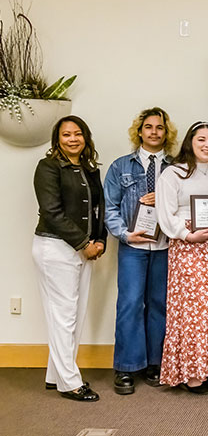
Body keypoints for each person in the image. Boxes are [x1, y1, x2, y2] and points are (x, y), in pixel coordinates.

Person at [155, 121, 208, 393]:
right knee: (193, 311)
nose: (207, 145)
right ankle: (192, 373)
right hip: (188, 246)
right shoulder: (173, 173)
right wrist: (186, 234)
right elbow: (165, 213)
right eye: (201, 139)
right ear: (190, 142)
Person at [32, 116, 106, 402]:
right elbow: (51, 211)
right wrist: (83, 243)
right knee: (64, 316)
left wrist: (99, 240)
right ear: (57, 139)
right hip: (55, 248)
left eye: (78, 134)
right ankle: (70, 383)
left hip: (83, 248)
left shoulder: (89, 169)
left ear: (85, 137)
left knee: (75, 314)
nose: (72, 139)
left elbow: (98, 208)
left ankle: (56, 374)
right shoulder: (48, 167)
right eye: (66, 135)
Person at [103, 107, 177, 395]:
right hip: (133, 246)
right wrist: (124, 233)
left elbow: (183, 204)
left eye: (159, 127)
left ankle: (156, 364)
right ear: (140, 131)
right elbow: (110, 208)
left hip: (165, 246)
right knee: (130, 304)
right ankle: (126, 367)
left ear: (165, 132)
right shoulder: (120, 166)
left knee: (160, 304)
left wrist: (164, 199)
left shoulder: (176, 167)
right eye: (149, 127)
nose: (154, 132)